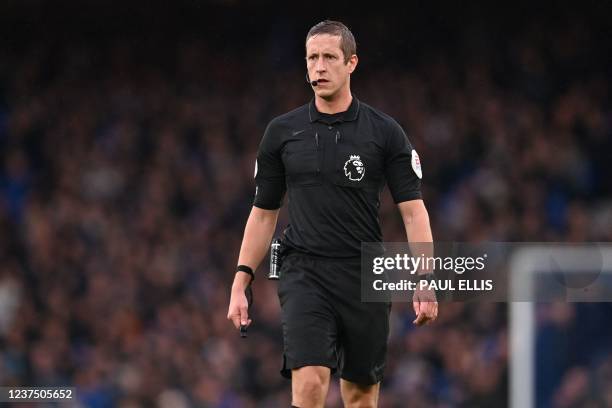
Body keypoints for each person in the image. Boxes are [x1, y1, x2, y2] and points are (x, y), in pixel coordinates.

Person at [227, 20, 438, 408]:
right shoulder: (282, 133)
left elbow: (413, 211)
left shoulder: (385, 132)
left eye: (328, 57)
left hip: (365, 274)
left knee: (359, 397)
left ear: (351, 63)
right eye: (312, 58)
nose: (318, 67)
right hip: (304, 271)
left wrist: (424, 277)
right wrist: (242, 278)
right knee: (309, 386)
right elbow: (262, 215)